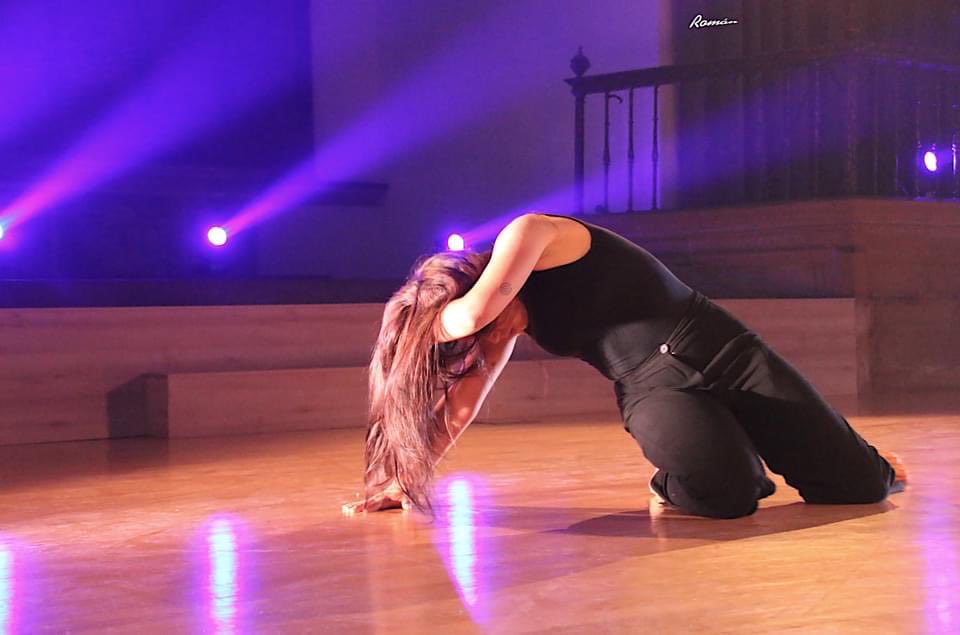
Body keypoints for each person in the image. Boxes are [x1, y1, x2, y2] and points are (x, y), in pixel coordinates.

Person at [341, 212, 907, 518]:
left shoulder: (531, 235)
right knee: (730, 497)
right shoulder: (501, 318)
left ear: (476, 284)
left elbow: (474, 313)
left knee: (860, 487)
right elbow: (458, 410)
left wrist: (418, 334)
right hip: (653, 390)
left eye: (486, 324)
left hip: (728, 350)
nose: (496, 337)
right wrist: (404, 478)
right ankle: (678, 479)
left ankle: (858, 458)